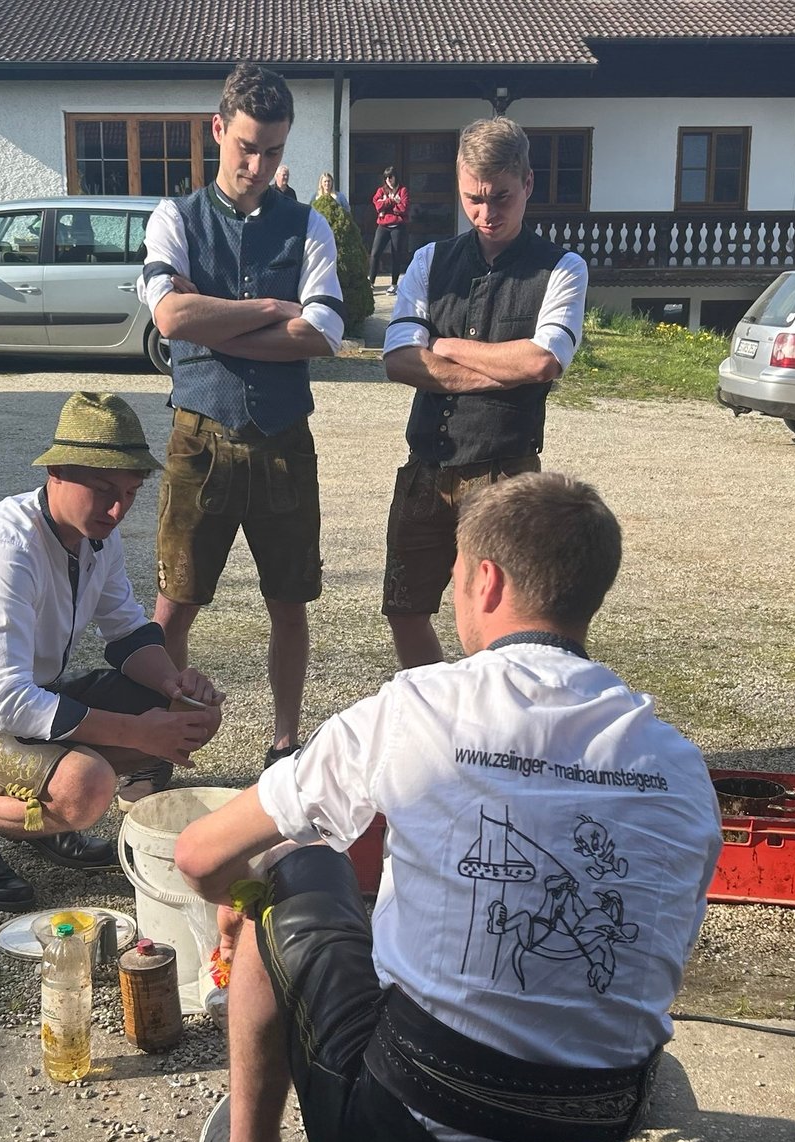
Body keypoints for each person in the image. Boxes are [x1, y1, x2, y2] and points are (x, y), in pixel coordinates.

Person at [175, 473, 721, 1142]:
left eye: (455, 578)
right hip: (591, 1128)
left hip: (407, 1127)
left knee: (292, 864)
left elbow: (199, 853)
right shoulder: (681, 765)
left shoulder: (417, 707)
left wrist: (237, 897)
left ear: (485, 582)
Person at [0, 392, 227, 911]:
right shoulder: (4, 554)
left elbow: (127, 631)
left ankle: (41, 814)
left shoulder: (95, 534)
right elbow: (7, 705)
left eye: (130, 491)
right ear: (56, 473)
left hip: (24, 700)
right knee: (85, 787)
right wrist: (137, 733)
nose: (117, 509)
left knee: (188, 715)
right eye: (102, 490)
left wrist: (174, 685)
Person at [139, 62, 344, 770]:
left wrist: (212, 322)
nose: (258, 166)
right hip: (199, 437)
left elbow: (325, 332)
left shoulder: (309, 225)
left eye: (275, 151)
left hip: (286, 440)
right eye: (246, 147)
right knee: (176, 604)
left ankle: (284, 744)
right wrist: (269, 309)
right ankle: (162, 745)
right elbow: (169, 314)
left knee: (290, 603)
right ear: (219, 130)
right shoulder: (175, 217)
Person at [380, 118, 589, 669]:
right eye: (473, 198)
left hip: (507, 474)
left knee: (509, 621)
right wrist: (507, 367)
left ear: (528, 184)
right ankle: (446, 713)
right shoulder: (428, 260)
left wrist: (445, 347)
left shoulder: (563, 268)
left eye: (500, 198)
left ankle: (494, 730)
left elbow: (543, 360)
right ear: (459, 184)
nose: (486, 214)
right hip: (426, 464)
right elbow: (399, 360)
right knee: (404, 607)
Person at [370, 167, 410, 292]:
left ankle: (394, 284)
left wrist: (389, 207)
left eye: (390, 177)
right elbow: (377, 205)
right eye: (386, 178)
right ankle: (371, 281)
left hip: (397, 227)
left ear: (395, 177)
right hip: (383, 226)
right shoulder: (381, 190)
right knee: (375, 253)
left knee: (396, 254)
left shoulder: (403, 190)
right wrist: (392, 201)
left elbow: (404, 208)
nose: (388, 180)